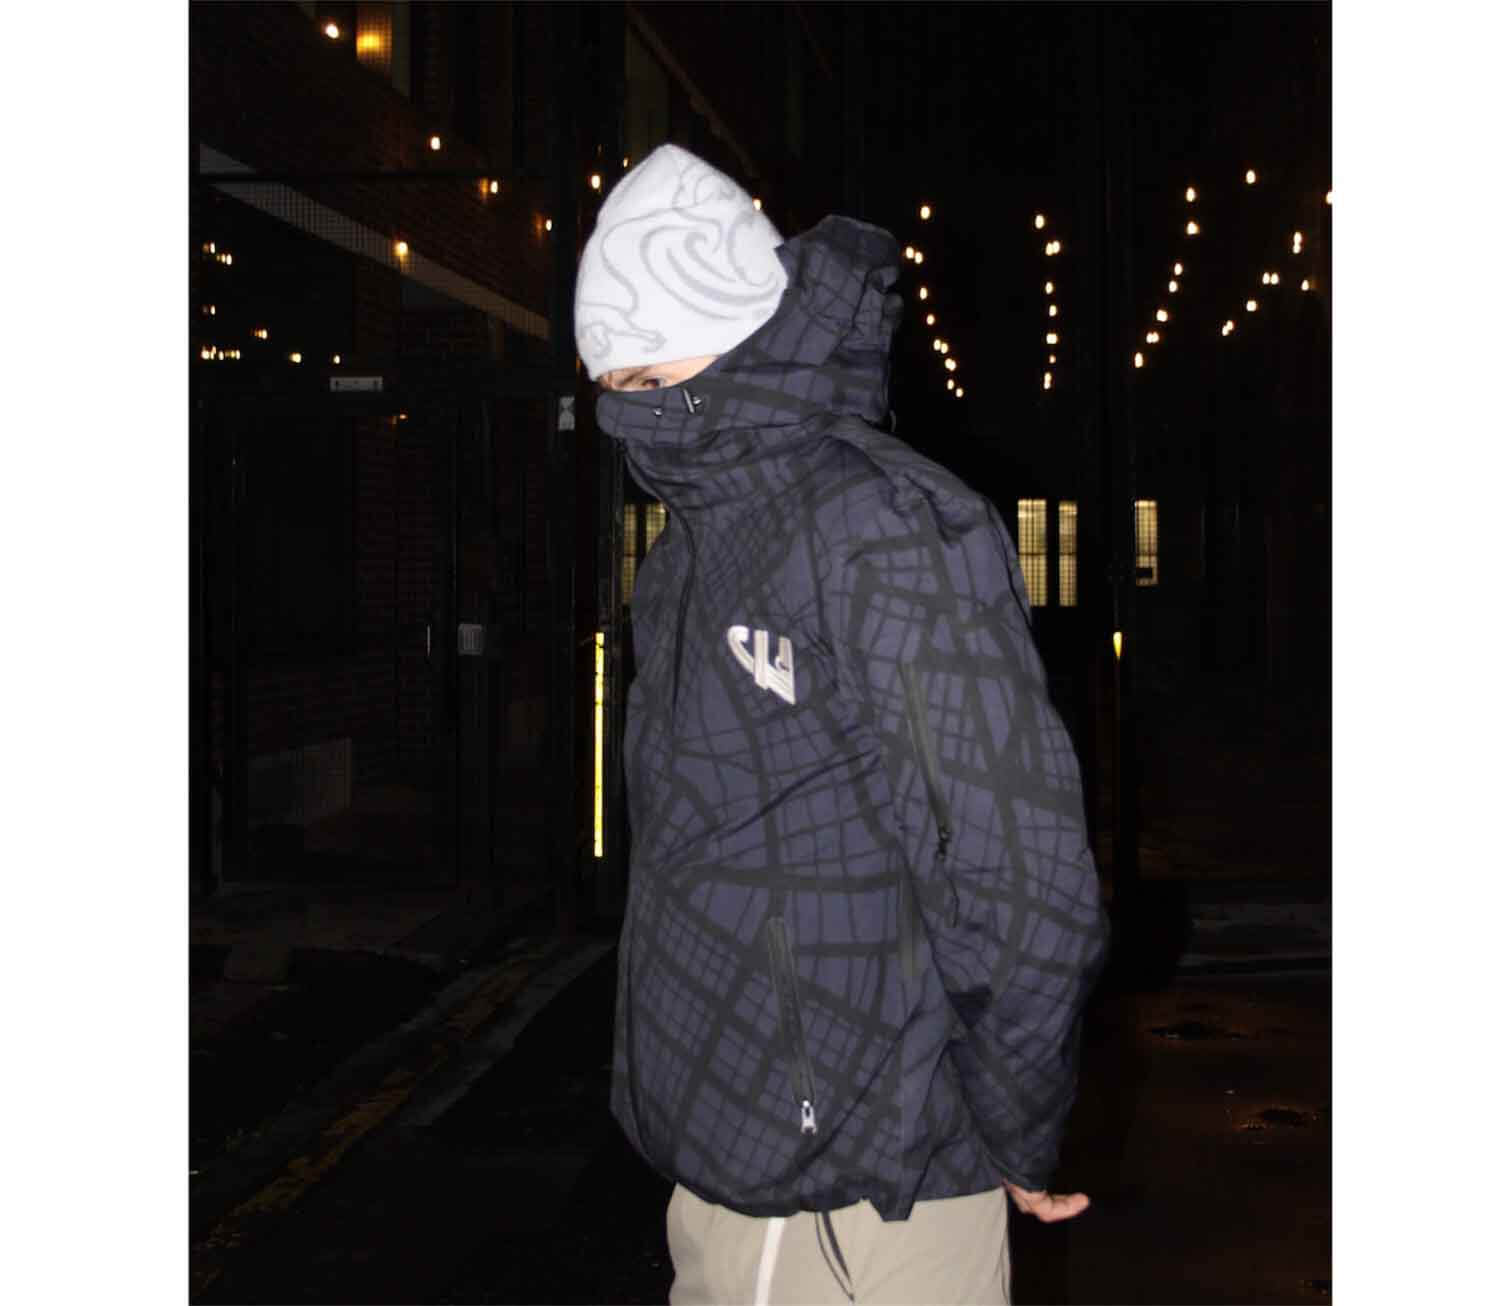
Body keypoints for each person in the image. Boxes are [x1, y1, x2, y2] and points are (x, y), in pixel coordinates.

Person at [575, 143, 1110, 1306]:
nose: (621, 405)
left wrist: (1011, 1125)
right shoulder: (689, 549)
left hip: (858, 1180)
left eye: (641, 368)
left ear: (726, 330)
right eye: (605, 374)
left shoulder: (881, 526)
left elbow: (1021, 877)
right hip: (733, 1155)